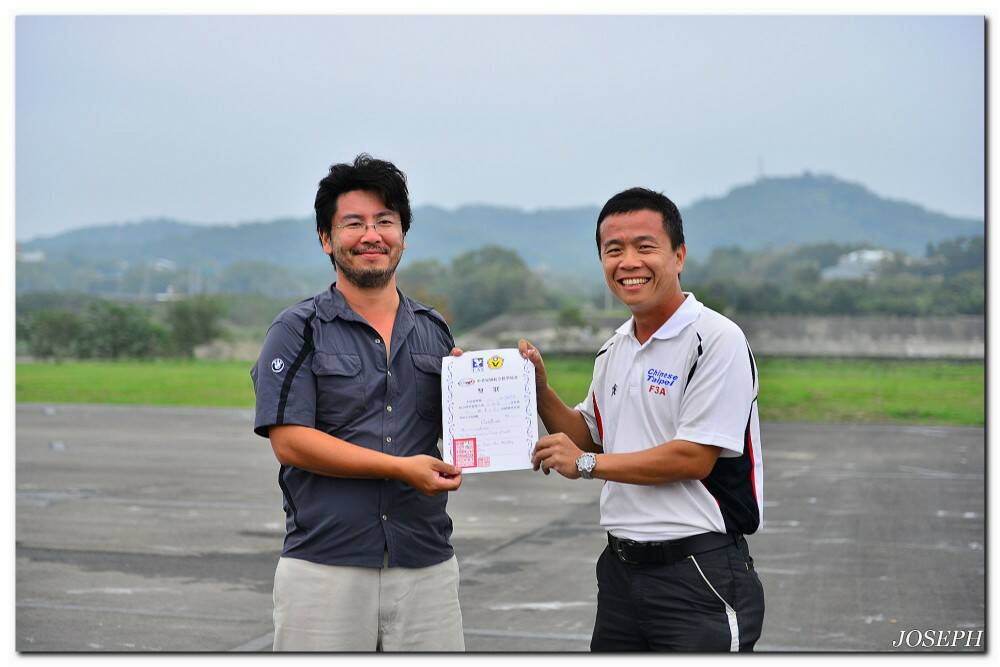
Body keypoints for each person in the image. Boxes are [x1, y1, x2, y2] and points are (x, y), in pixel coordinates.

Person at [520, 187, 765, 652]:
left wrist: (587, 465)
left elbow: (693, 457)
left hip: (698, 572)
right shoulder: (616, 348)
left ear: (679, 255)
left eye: (644, 246)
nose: (628, 261)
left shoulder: (714, 340)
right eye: (613, 250)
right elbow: (591, 439)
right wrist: (539, 392)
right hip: (621, 573)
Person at [250, 154, 465, 651]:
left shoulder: (434, 332)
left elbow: (454, 437)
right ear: (327, 239)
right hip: (326, 568)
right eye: (354, 223)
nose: (372, 235)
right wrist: (399, 468)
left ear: (403, 236)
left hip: (425, 564)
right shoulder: (296, 330)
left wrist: (483, 394)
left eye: (385, 222)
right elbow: (291, 442)